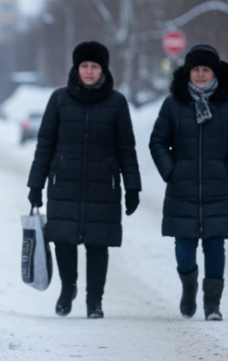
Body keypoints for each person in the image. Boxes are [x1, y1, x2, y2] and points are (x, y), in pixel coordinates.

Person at [26, 41, 142, 318]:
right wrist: (35, 184)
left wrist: (133, 187)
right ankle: (68, 289)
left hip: (104, 184)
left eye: (94, 66)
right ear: (76, 68)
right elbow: (45, 144)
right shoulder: (59, 99)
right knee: (64, 241)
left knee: (98, 244)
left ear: (103, 70)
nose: (89, 71)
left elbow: (126, 147)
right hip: (65, 182)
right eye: (84, 66)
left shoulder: (117, 103)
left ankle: (94, 302)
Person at [149, 44, 228, 321]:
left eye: (205, 69)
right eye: (195, 69)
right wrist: (171, 171)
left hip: (218, 190)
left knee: (215, 247)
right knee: (184, 249)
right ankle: (188, 286)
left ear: (214, 72)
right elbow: (158, 142)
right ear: (187, 72)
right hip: (181, 190)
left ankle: (212, 304)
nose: (200, 74)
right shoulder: (173, 104)